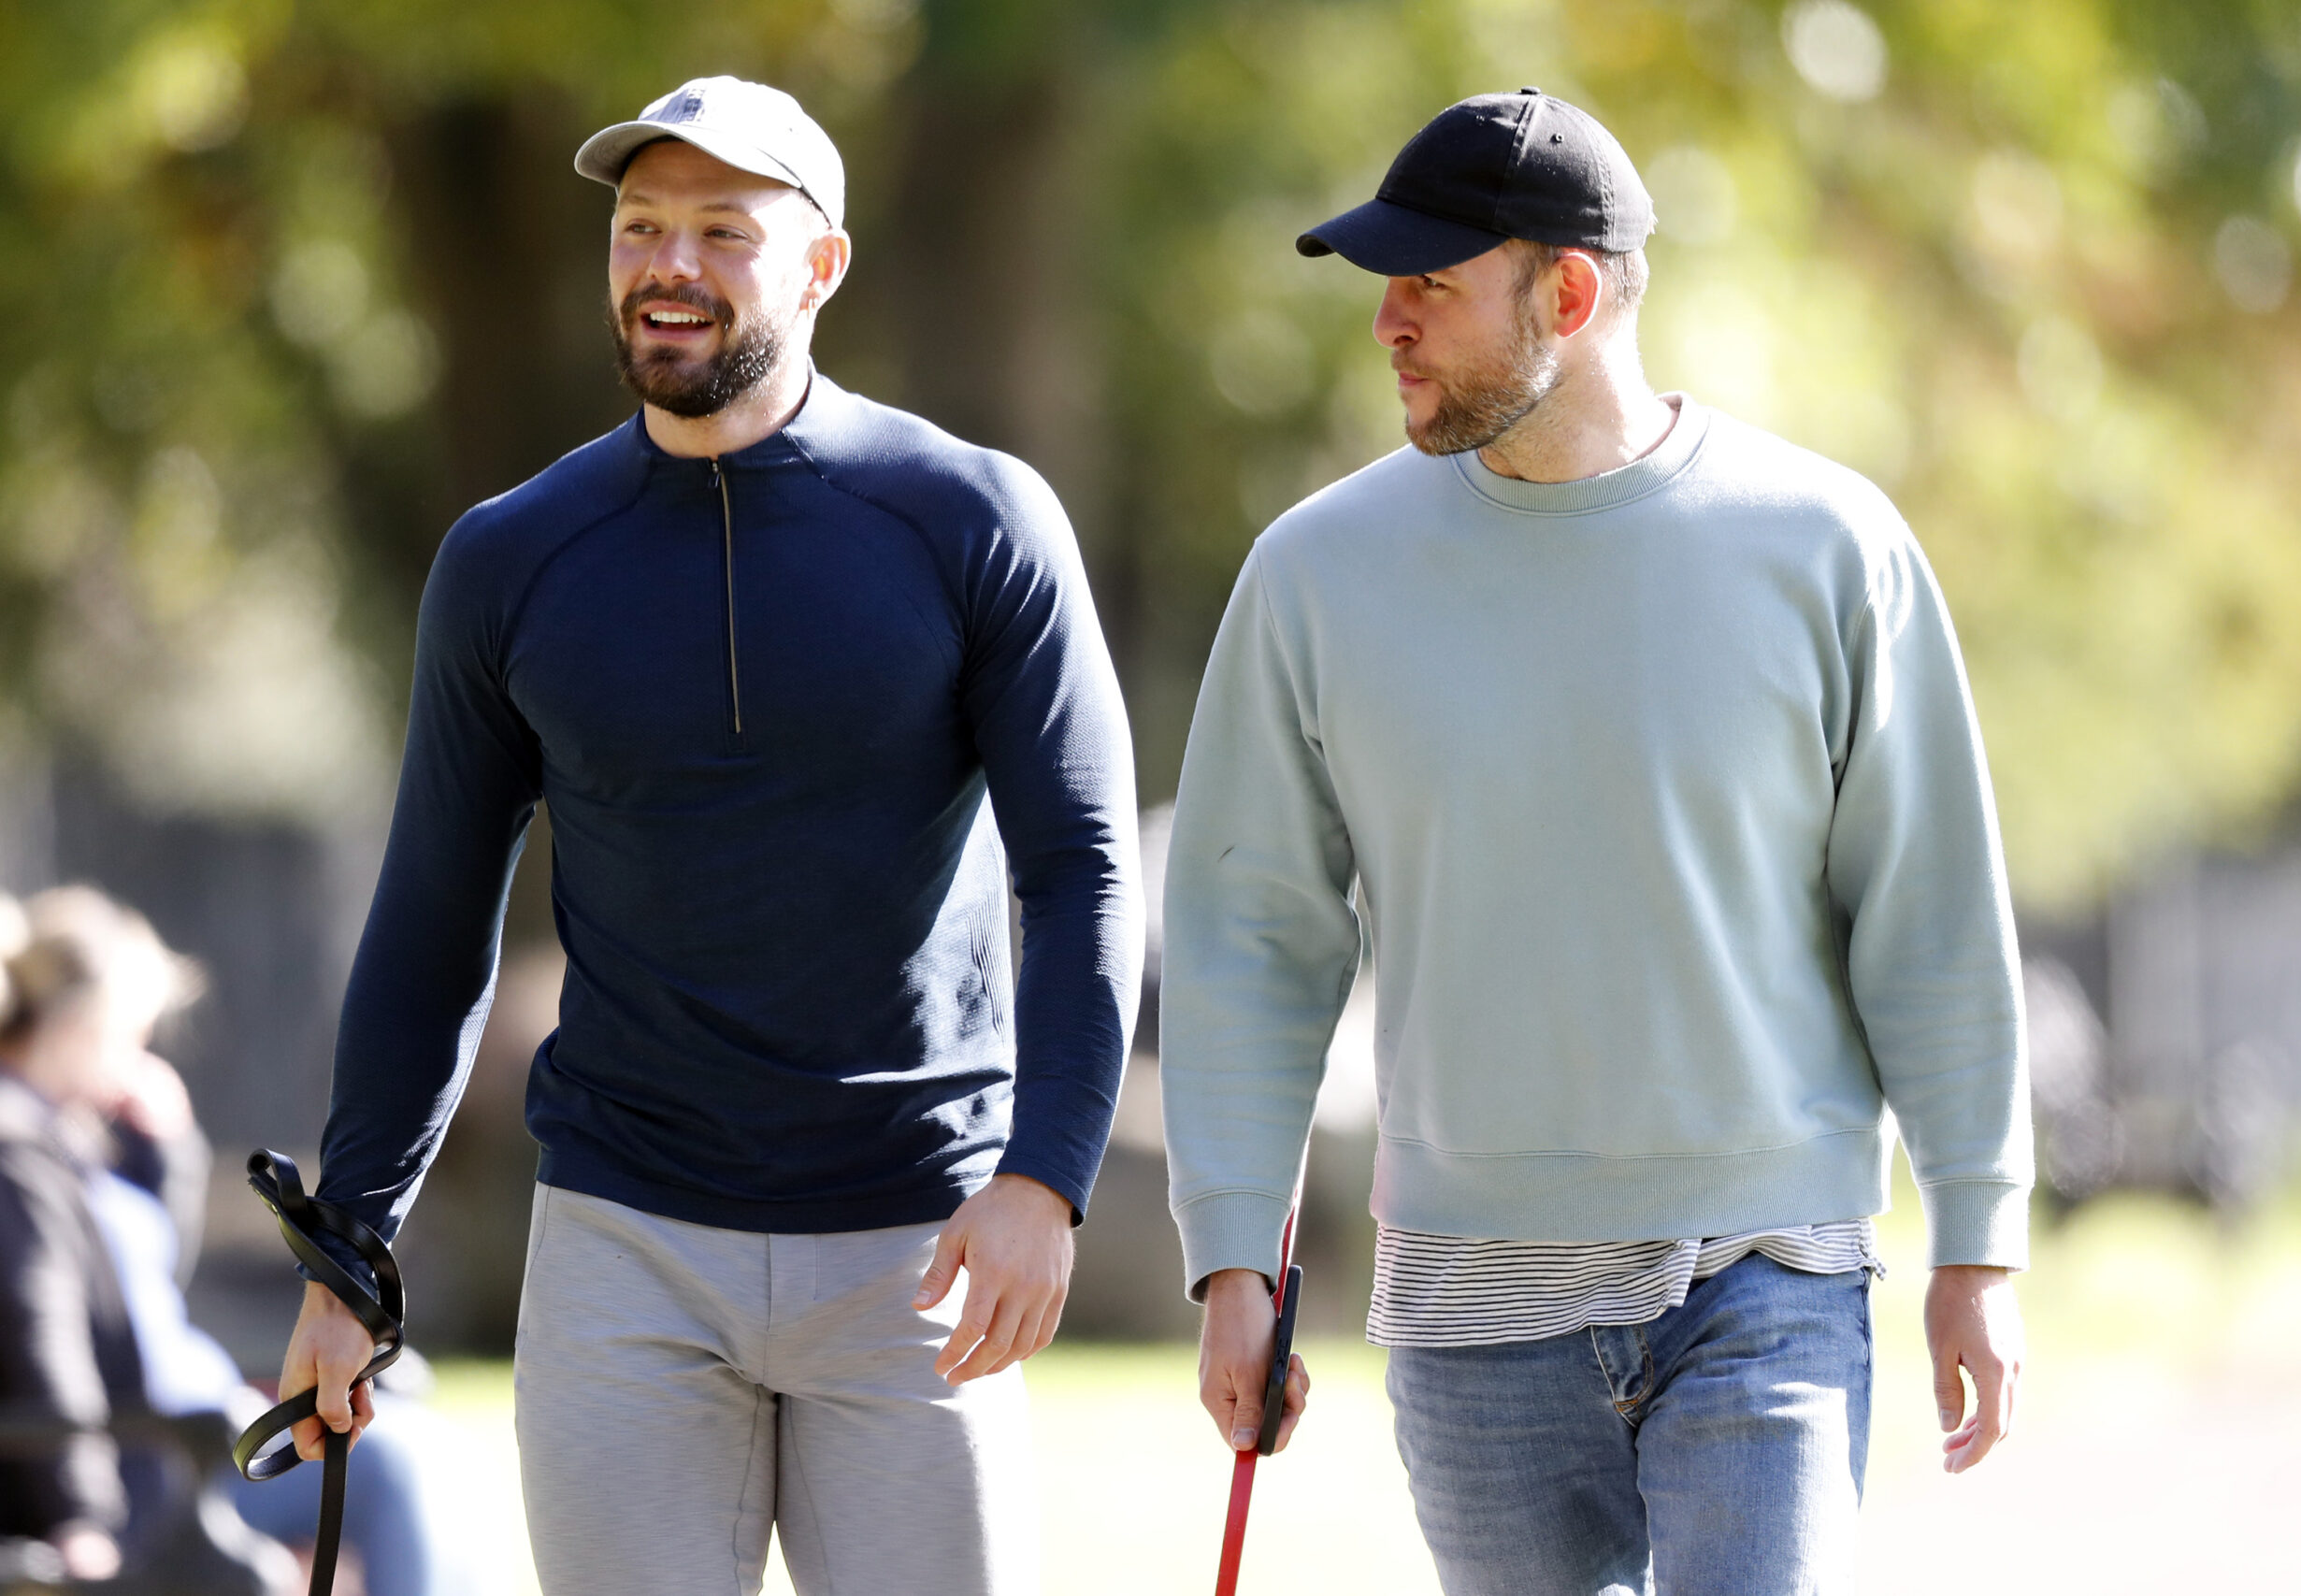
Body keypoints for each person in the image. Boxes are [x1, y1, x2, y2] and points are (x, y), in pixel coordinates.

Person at [276, 75, 1141, 1596]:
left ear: (820, 266)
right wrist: (350, 1247)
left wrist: (1046, 1173)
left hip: (915, 1243)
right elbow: (431, 920)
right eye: (640, 225)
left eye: (722, 231)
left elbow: (1082, 864)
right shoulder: (512, 559)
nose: (667, 264)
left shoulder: (974, 521)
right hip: (626, 1238)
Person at [1161, 90, 2030, 1594]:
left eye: (1429, 284)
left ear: (1566, 293)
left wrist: (1978, 1240)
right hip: (1467, 1302)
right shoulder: (1312, 576)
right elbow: (1254, 938)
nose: (1387, 324)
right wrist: (1235, 1253)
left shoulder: (1831, 546)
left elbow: (1932, 912)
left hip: (1769, 1269)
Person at [0, 886, 471, 1596]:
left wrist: (165, 1152)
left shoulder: (73, 1139)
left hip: (197, 1431)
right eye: (130, 1032)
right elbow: (42, 1340)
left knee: (411, 1444)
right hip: (169, 1458)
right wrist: (84, 1516)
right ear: (79, 1027)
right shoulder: (20, 1155)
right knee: (390, 1463)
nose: (138, 1057)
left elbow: (147, 1284)